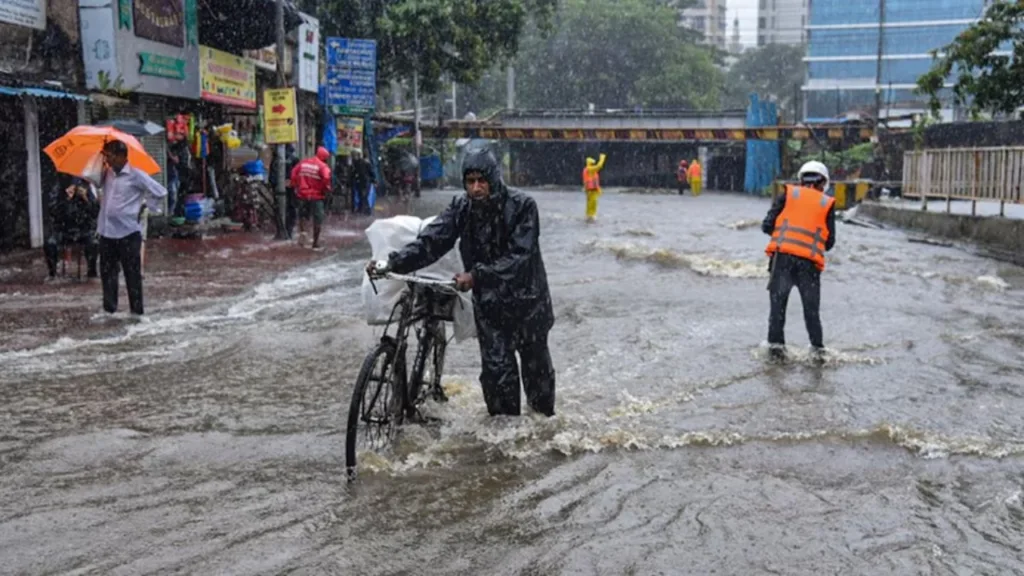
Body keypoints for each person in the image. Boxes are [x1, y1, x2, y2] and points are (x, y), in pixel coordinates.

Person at [366, 148, 556, 417]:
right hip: (491, 306)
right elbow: (432, 241)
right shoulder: (462, 207)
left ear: (494, 178)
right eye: (470, 181)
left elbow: (519, 257)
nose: (476, 188)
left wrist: (476, 276)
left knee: (538, 379)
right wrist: (393, 263)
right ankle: (507, 435)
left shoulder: (523, 206)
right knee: (497, 377)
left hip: (529, 304)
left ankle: (542, 430)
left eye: (482, 181)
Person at [761, 160, 837, 363]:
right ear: (823, 183)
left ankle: (775, 357)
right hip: (809, 265)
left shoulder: (787, 194)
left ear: (801, 179)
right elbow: (829, 243)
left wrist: (786, 236)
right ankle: (818, 356)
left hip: (782, 261)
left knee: (777, 312)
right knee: (811, 313)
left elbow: (767, 226)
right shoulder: (826, 203)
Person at [96, 140, 167, 315]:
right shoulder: (106, 174)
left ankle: (136, 313)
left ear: (121, 156)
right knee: (108, 274)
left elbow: (160, 192)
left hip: (128, 233)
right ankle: (109, 311)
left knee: (132, 276)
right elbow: (92, 181)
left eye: (110, 156)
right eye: (106, 156)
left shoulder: (136, 175)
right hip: (107, 232)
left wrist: (147, 205)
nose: (108, 160)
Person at [44, 177, 99, 280]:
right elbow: (52, 211)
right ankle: (52, 273)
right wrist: (66, 199)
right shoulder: (59, 189)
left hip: (82, 229)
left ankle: (92, 272)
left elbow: (95, 211)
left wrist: (86, 199)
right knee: (50, 244)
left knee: (93, 243)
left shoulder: (86, 188)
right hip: (63, 230)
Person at [289, 146, 332, 250]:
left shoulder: (303, 163)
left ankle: (303, 233)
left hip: (302, 194)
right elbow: (326, 179)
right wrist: (326, 190)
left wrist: (295, 185)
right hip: (316, 196)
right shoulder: (323, 167)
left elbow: (293, 173)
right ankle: (315, 242)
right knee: (318, 218)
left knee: (303, 215)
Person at [582, 153, 606, 222]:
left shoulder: (590, 170)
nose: (593, 165)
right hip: (591, 190)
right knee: (592, 204)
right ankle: (591, 216)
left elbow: (594, 181)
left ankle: (589, 216)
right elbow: (599, 166)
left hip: (591, 190)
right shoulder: (589, 169)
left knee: (591, 204)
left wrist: (598, 189)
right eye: (592, 164)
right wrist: (602, 158)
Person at [350, 149, 376, 215]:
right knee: (361, 196)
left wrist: (373, 180)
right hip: (359, 182)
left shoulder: (365, 163)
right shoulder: (355, 163)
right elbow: (354, 173)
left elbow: (371, 172)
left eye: (354, 155)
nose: (353, 157)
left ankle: (367, 210)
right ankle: (361, 210)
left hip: (365, 182)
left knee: (364, 196)